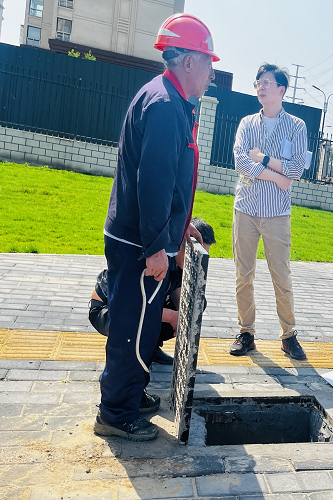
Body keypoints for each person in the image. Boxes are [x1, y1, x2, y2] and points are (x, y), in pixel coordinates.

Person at [93, 13, 218, 442]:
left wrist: (178, 231)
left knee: (141, 323)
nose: (211, 72)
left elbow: (169, 183)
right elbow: (155, 183)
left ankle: (128, 394)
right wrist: (155, 247)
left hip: (140, 235)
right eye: (208, 62)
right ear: (187, 62)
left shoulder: (168, 99)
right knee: (133, 324)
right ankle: (116, 411)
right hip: (138, 240)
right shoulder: (165, 106)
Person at [229, 63, 309, 360]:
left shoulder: (297, 126)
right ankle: (246, 332)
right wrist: (277, 177)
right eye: (258, 82)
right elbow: (240, 163)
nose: (260, 87)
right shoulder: (247, 124)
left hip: (277, 214)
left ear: (281, 90)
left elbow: (297, 168)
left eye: (266, 82)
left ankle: (289, 335)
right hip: (246, 208)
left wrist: (262, 157)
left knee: (281, 276)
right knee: (243, 275)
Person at [88, 218, 217, 366]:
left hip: (135, 306)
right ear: (181, 244)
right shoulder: (158, 259)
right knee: (144, 318)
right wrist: (172, 317)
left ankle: (150, 347)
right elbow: (135, 307)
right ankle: (125, 358)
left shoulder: (181, 264)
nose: (197, 264)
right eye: (194, 256)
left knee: (195, 304)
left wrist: (185, 313)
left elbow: (179, 297)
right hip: (108, 309)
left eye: (202, 258)